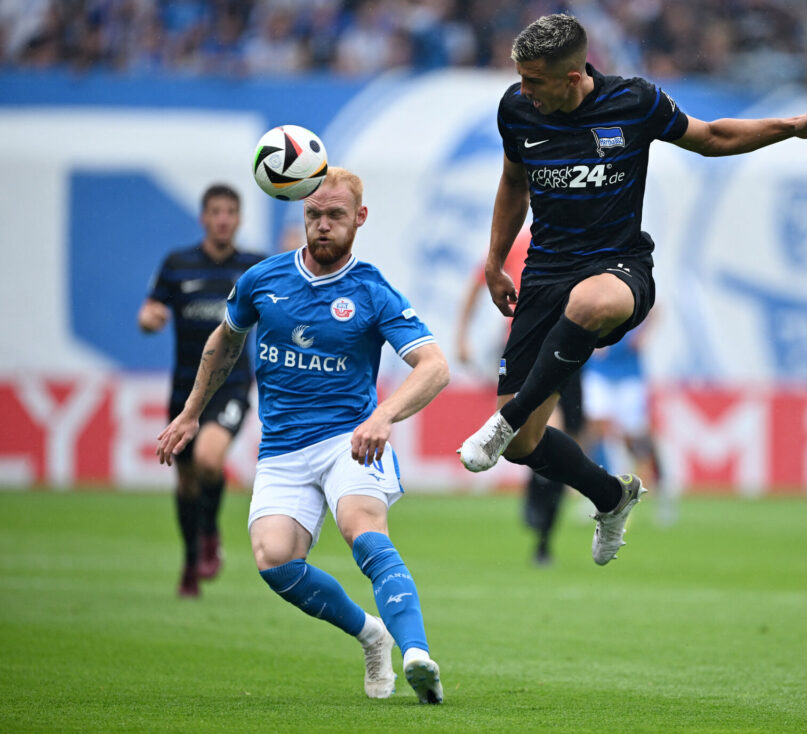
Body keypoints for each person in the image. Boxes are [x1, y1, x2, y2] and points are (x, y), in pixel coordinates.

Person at [458, 13, 807, 565]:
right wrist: (496, 261)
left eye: (534, 81)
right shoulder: (518, 110)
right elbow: (513, 182)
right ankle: (610, 495)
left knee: (590, 303)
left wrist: (789, 126)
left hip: (619, 268)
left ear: (573, 77)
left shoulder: (635, 102)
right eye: (520, 79)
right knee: (524, 447)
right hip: (544, 276)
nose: (523, 91)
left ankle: (501, 421)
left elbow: (712, 137)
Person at [156, 167, 448, 704]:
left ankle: (417, 653)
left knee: (363, 530)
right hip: (283, 449)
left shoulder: (373, 290)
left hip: (349, 438)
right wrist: (192, 412)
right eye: (313, 215)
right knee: (273, 559)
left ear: (359, 218)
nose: (323, 226)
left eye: (336, 215)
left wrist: (383, 417)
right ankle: (372, 635)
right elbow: (224, 344)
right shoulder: (263, 280)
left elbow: (434, 366)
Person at [138, 183, 263, 598]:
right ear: (204, 218)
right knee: (186, 481)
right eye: (216, 211)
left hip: (231, 384)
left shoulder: (254, 268)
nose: (223, 218)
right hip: (183, 389)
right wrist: (150, 318)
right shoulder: (178, 264)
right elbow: (150, 310)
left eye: (230, 211)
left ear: (239, 219)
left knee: (210, 459)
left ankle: (210, 534)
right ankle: (191, 562)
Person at [455, 228, 586, 565]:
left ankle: (543, 532)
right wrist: (462, 336)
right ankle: (538, 506)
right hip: (525, 347)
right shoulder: (518, 241)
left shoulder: (581, 235)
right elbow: (479, 280)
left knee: (567, 437)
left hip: (571, 347)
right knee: (540, 430)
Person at [582, 324, 674, 526]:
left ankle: (662, 489)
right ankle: (596, 494)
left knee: (636, 437)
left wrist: (641, 333)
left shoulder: (631, 294)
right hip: (599, 370)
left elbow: (655, 307)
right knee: (595, 429)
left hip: (628, 372)